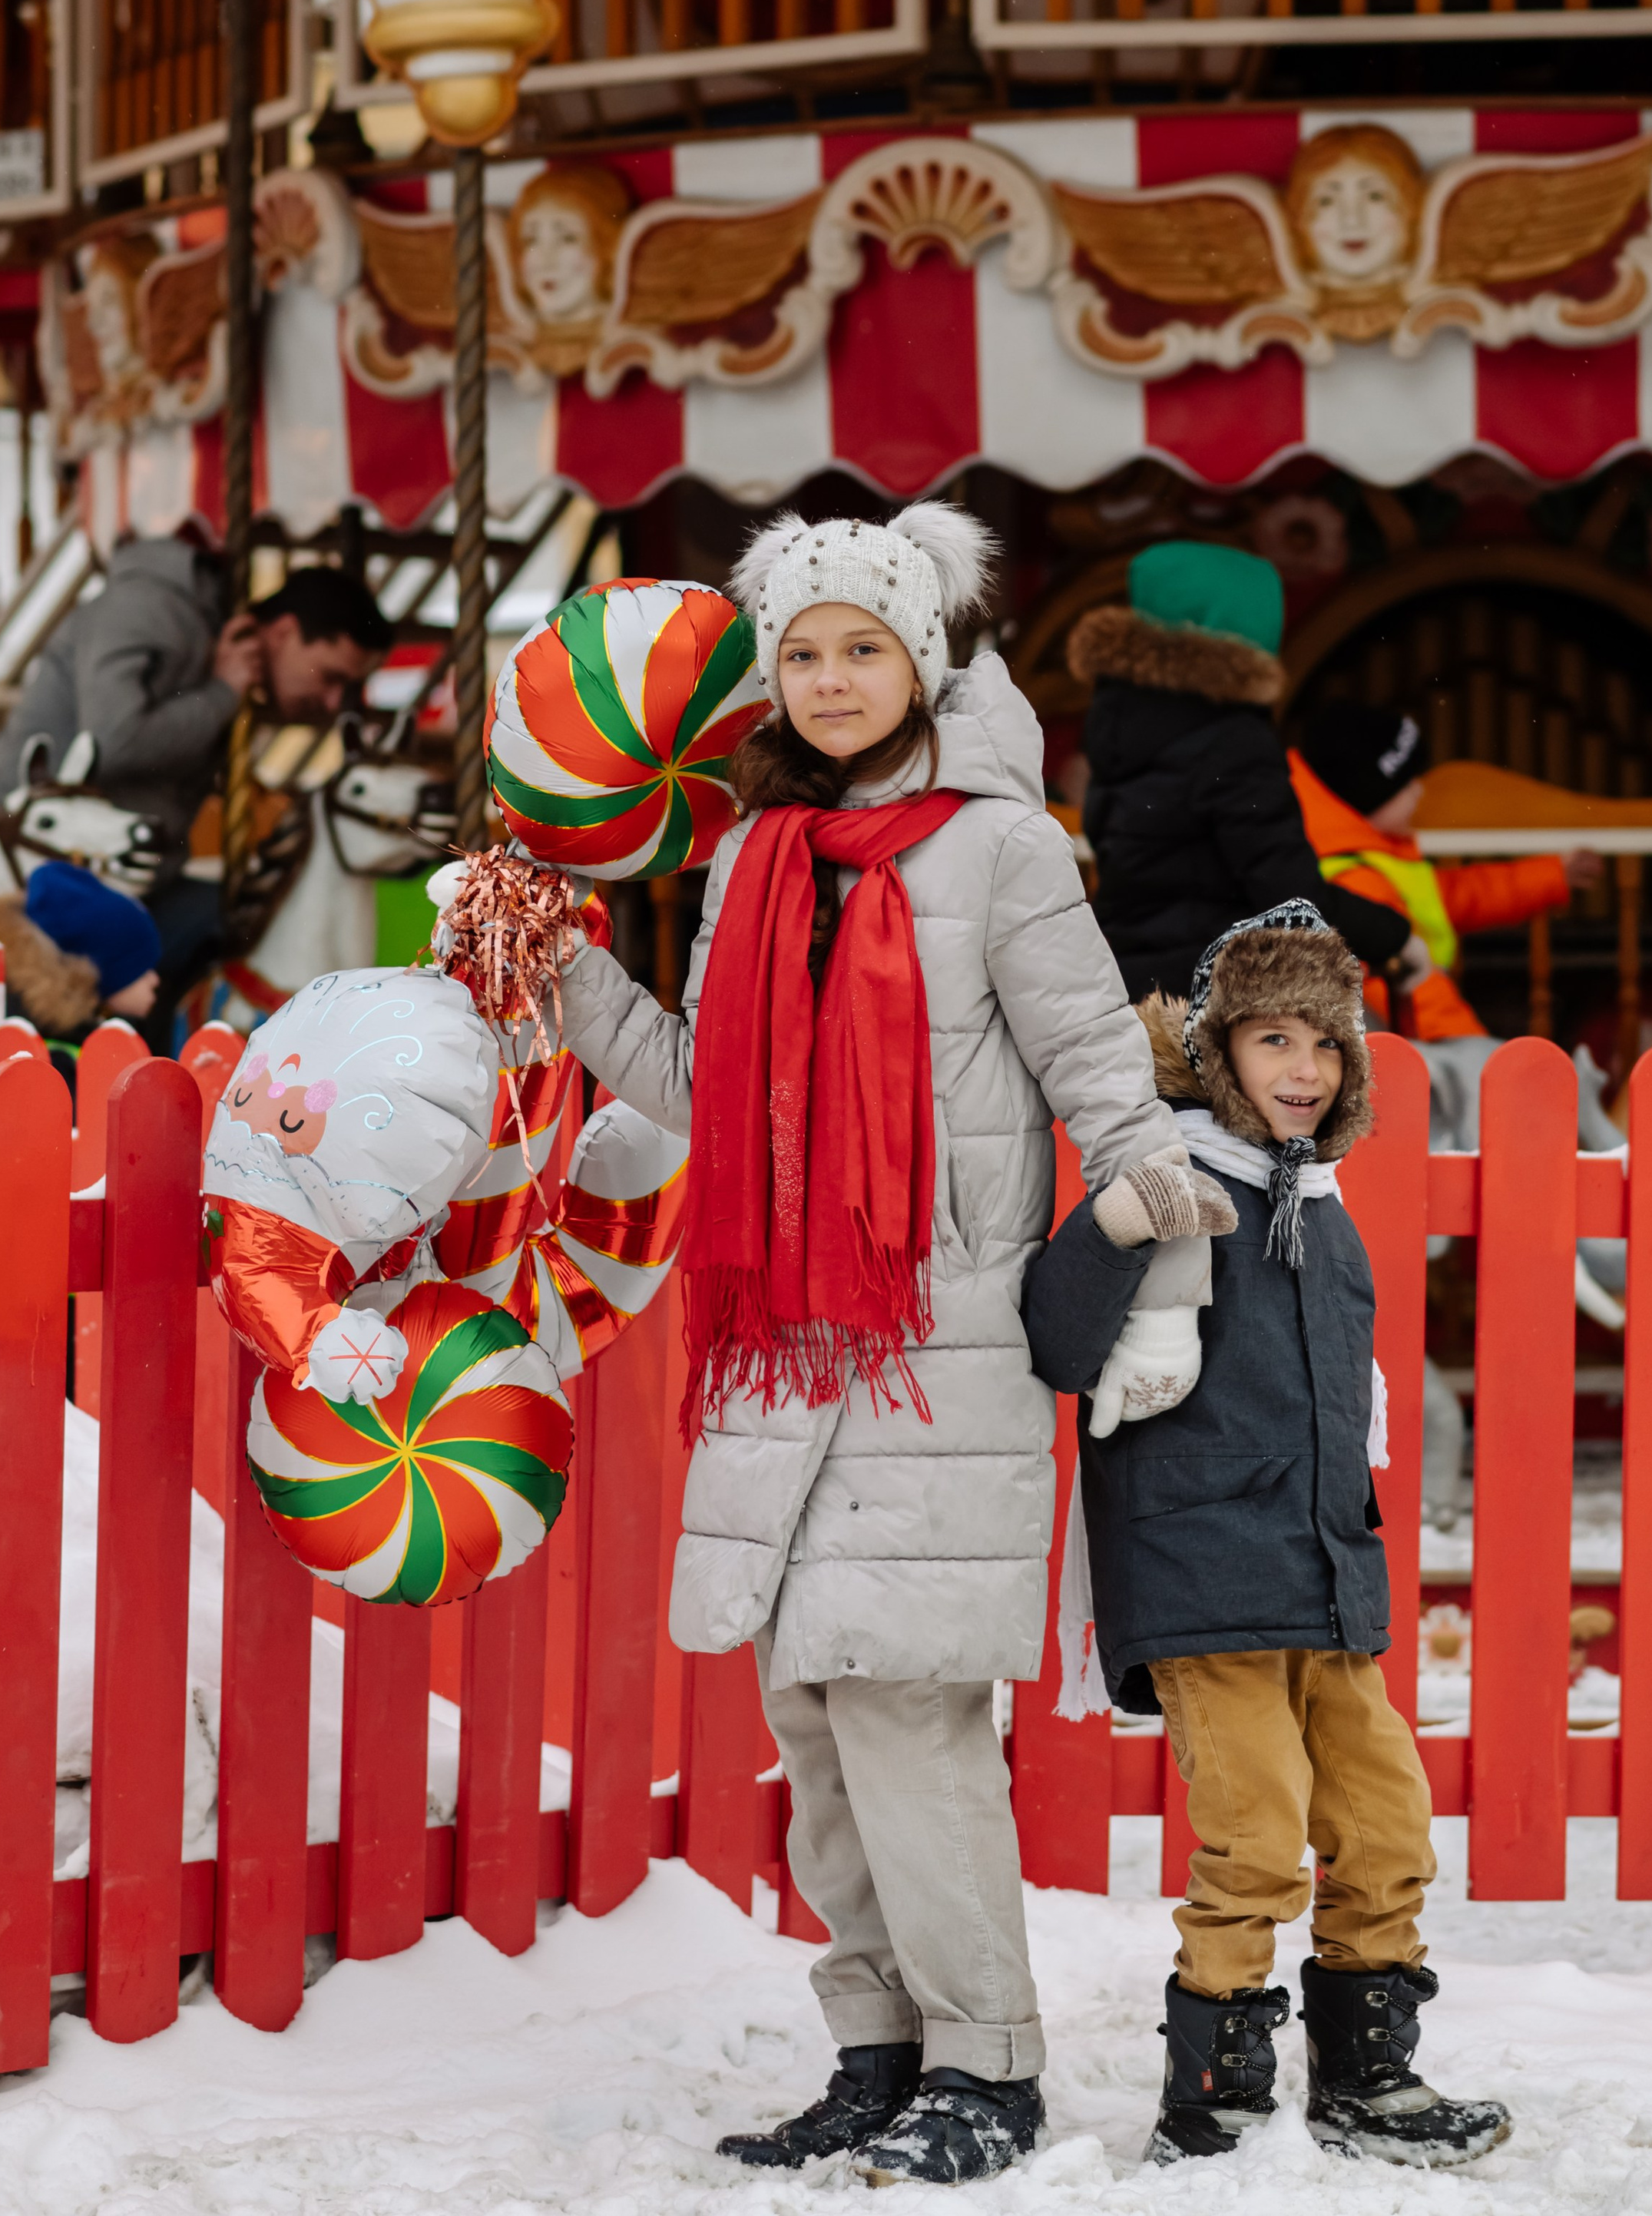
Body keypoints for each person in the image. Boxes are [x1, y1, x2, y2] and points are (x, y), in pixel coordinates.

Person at [549, 504, 1229, 2187]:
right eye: (803, 652)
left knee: (909, 1714)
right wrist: (560, 969)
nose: (834, 676)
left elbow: (1098, 1073)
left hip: (942, 1344)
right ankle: (877, 2045)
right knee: (815, 1715)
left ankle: (985, 2062)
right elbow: (706, 1089)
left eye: (864, 647)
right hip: (784, 1344)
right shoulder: (747, 862)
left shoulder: (1000, 850)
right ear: (770, 680)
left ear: (921, 661)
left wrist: (1166, 1295)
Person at [1021, 900, 1511, 2172]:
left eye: (1326, 1046)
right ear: (1217, 1051)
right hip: (1199, 1573)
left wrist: (1357, 1544)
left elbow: (1345, 1404)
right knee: (1253, 1830)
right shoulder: (1169, 1182)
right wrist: (1121, 1228)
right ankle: (1217, 2092)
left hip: (1323, 1580)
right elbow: (1063, 1341)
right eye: (1274, 1040)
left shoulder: (1327, 1214)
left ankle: (1368, 2077)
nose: (1304, 1070)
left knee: (1387, 1822)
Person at [0, 541, 392, 1013]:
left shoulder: (204, 634)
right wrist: (223, 693)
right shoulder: (151, 609)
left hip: (115, 885)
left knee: (234, 913)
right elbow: (115, 740)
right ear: (285, 632)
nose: (333, 702)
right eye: (330, 677)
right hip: (41, 892)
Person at [1069, 540, 1415, 1002]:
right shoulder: (1232, 743)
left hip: (1132, 990)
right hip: (1219, 1001)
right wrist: (1394, 935)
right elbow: (1291, 896)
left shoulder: (1120, 728)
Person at [1290, 698, 1601, 1047]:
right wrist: (1477, 1056)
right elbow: (1415, 987)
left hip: (1413, 1042)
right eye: (1405, 783)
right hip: (1409, 1048)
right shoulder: (1354, 878)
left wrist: (1548, 874)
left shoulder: (1373, 857)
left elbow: (1459, 895)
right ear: (1366, 797)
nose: (1419, 791)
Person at [0, 859, 163, 1068]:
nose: (155, 980)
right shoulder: (48, 1047)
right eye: (141, 968)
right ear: (100, 967)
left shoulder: (83, 1026)